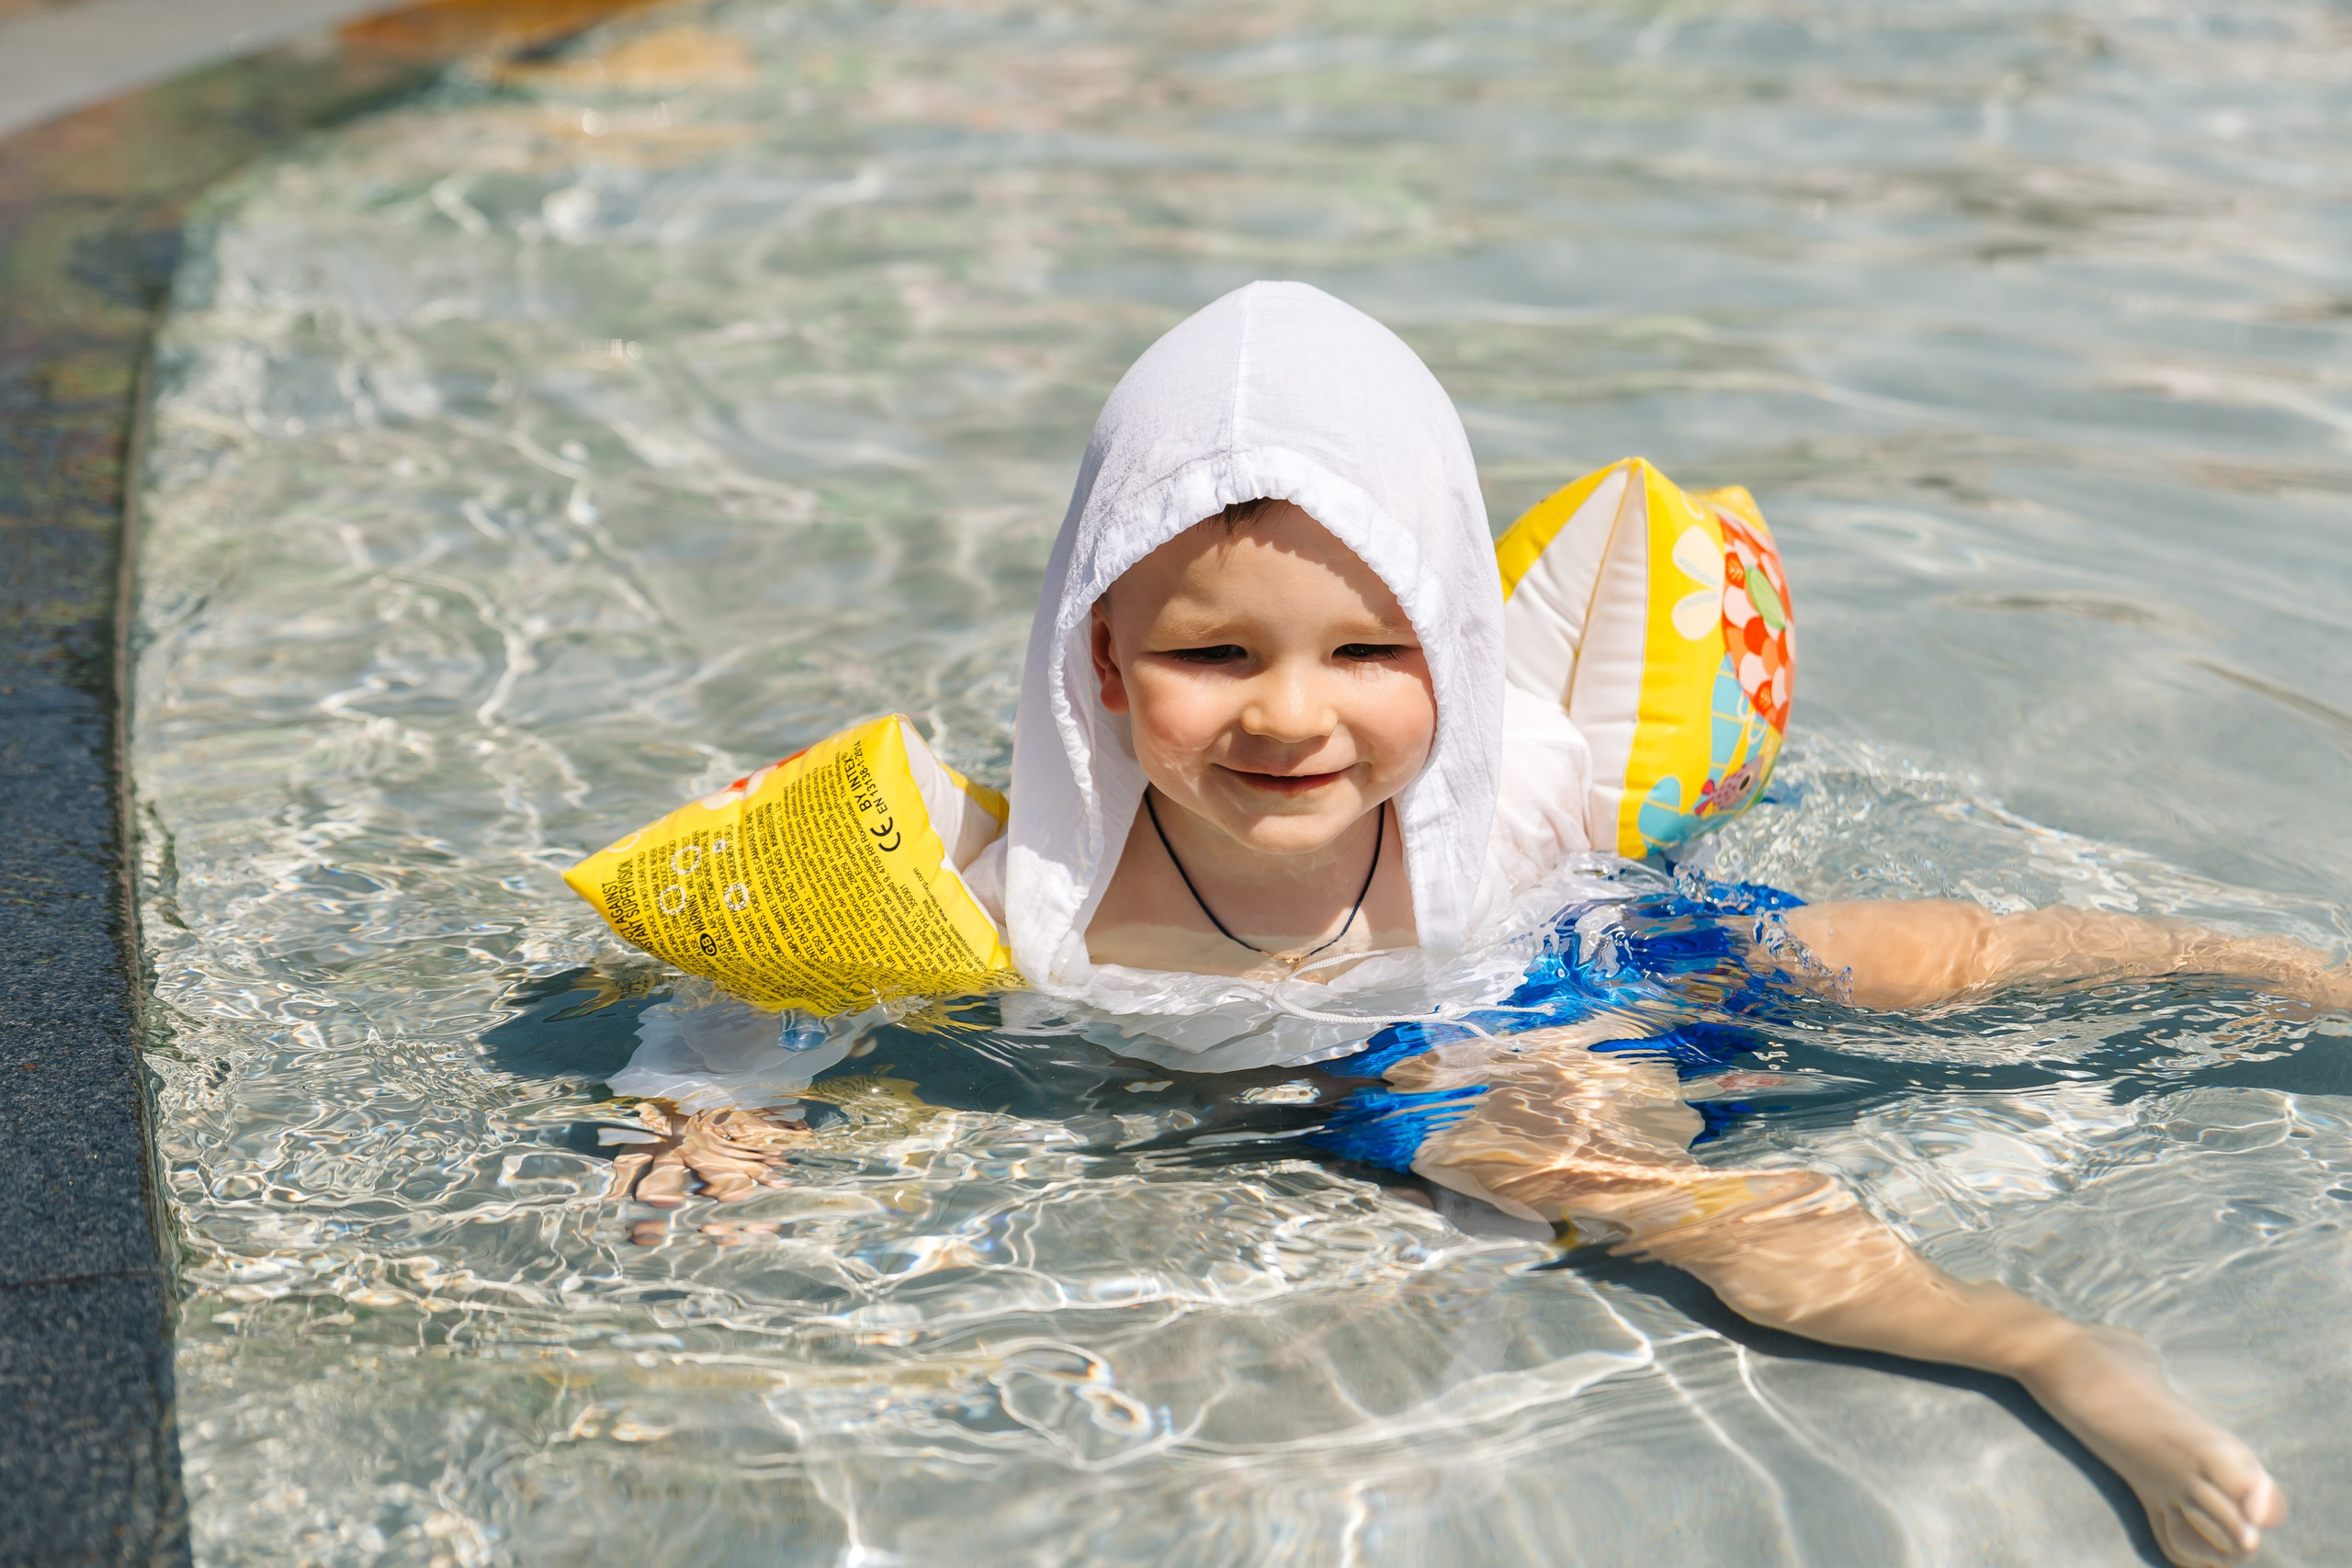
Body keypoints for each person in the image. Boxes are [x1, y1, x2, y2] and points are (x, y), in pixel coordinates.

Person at [613, 282, 2341, 1566]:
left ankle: (2274, 968)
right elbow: (754, 988)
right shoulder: (1019, 911)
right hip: (1434, 1079)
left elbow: (1622, 848)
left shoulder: (1523, 788)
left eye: (1372, 654)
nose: (1294, 718)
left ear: (1452, 641)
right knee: (1637, 1192)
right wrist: (709, 1113)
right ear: (1094, 667)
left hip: (1589, 951)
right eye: (1214, 656)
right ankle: (2047, 1349)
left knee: (1928, 949)